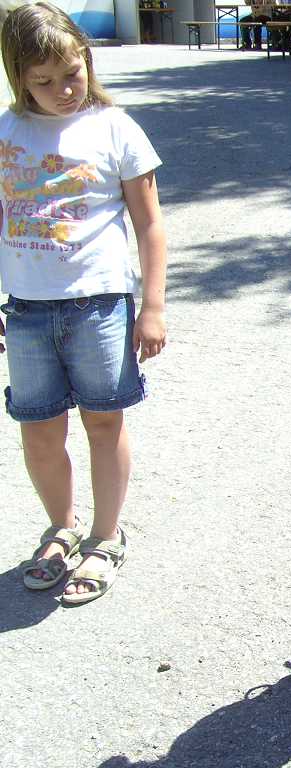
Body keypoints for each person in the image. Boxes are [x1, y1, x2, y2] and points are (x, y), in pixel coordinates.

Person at [1, 2, 167, 605]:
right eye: (43, 81)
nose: (62, 89)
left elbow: (150, 224)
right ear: (19, 78)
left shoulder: (115, 128)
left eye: (71, 73)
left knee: (103, 422)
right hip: (26, 310)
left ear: (86, 60)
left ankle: (104, 535)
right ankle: (61, 529)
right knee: (40, 430)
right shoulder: (7, 130)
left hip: (98, 307)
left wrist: (153, 306)